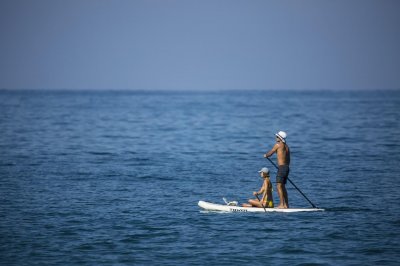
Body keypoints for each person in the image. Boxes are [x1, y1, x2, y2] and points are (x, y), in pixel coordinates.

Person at [264, 131, 290, 208]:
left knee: (279, 186)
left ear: (280, 138)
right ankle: (286, 205)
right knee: (283, 186)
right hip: (286, 168)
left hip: (282, 168)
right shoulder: (287, 146)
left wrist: (266, 155)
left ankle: (282, 204)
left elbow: (270, 153)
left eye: (277, 136)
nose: (275, 138)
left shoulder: (278, 145)